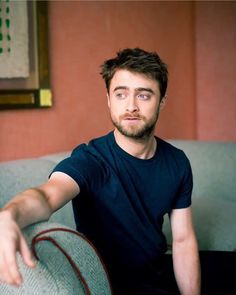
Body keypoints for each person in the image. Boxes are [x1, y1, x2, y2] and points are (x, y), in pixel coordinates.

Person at [0, 48, 201, 295]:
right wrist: (9, 216)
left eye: (144, 95)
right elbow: (46, 197)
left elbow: (183, 240)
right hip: (111, 283)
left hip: (158, 273)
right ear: (108, 98)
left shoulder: (176, 162)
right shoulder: (91, 160)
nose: (131, 106)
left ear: (162, 101)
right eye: (120, 94)